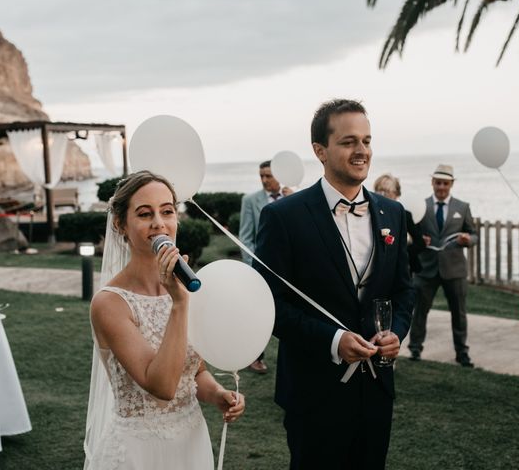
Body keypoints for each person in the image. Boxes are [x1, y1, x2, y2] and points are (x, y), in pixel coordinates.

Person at [254, 99, 414, 469]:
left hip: (376, 391)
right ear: (320, 150)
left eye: (367, 141)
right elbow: (271, 305)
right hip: (314, 394)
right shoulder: (283, 217)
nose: (362, 151)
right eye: (349, 142)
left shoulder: (393, 213)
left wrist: (397, 332)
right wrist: (333, 340)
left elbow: (404, 289)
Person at [84, 170, 245, 470]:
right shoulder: (110, 304)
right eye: (145, 214)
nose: (159, 222)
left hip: (191, 442)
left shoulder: (186, 286)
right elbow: (162, 386)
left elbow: (194, 370)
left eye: (167, 211)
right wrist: (180, 304)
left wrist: (218, 393)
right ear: (120, 224)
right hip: (139, 452)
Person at [407, 164, 478, 367]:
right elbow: (413, 235)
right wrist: (421, 240)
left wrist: (468, 240)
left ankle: (462, 353)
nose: (441, 187)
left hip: (454, 269)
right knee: (419, 311)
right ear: (432, 183)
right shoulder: (422, 206)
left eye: (445, 183)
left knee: (459, 313)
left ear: (451, 184)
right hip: (426, 269)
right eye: (438, 182)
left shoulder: (462, 207)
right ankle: (415, 349)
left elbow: (473, 234)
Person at [239, 160, 283, 374]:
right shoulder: (250, 201)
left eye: (269, 175)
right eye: (262, 176)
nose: (264, 180)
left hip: (289, 272)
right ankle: (255, 356)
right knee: (258, 316)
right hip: (260, 270)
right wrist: (254, 267)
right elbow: (245, 239)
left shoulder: (294, 198)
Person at [373, 173, 426, 275]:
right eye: (379, 191)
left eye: (387, 191)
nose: (382, 195)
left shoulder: (405, 215)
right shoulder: (372, 215)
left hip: (402, 269)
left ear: (396, 194)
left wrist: (401, 254)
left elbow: (420, 243)